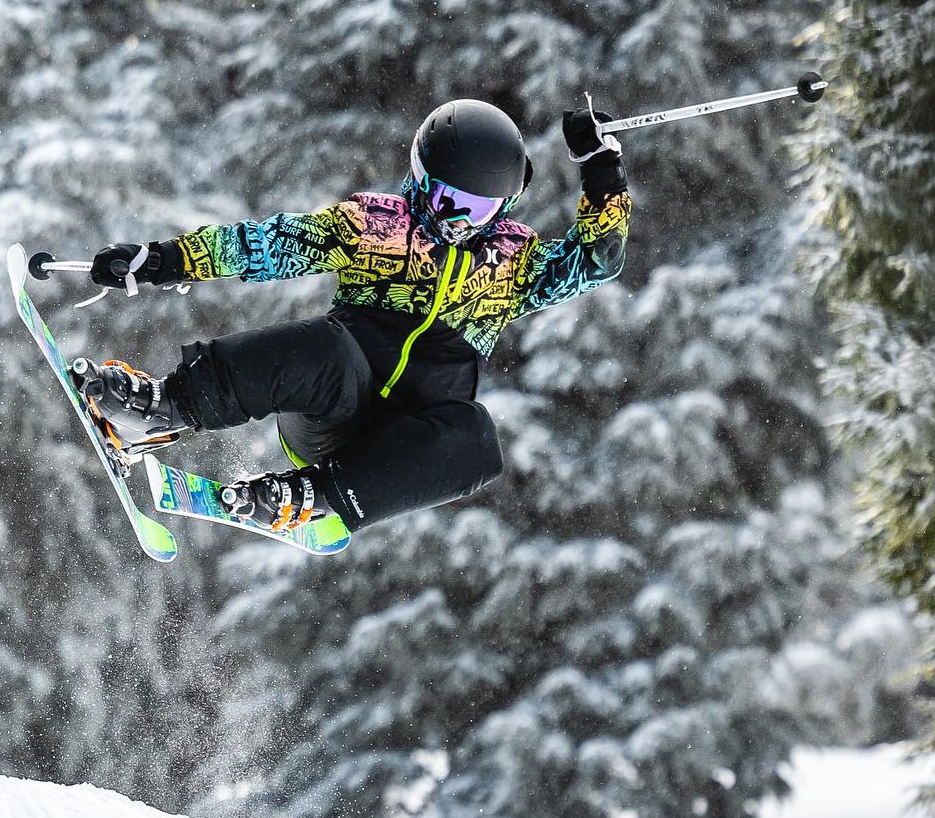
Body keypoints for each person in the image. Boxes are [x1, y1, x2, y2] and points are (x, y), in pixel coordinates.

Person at [75, 100, 631, 536]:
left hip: (390, 453)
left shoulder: (515, 263)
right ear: (418, 180)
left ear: (503, 209)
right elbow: (269, 244)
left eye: (476, 210)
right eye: (444, 201)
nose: (456, 223)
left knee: (479, 439)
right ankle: (164, 407)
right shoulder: (377, 225)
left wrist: (600, 168)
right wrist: (164, 260)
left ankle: (312, 497)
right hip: (332, 412)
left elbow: (597, 260)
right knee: (333, 351)